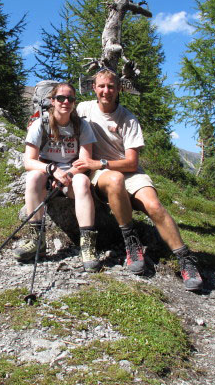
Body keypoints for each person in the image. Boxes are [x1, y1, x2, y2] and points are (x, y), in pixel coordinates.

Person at [74, 68, 203, 291]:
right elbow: (64, 122)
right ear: (94, 88)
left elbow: (132, 163)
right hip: (103, 174)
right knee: (114, 180)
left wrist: (100, 163)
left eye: (111, 87)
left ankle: (185, 259)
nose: (106, 91)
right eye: (102, 86)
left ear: (119, 89)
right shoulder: (83, 108)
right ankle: (131, 241)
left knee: (154, 206)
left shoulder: (128, 119)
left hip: (126, 170)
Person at [15, 82, 101, 272]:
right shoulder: (41, 124)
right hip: (48, 173)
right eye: (61, 98)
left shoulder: (82, 126)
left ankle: (87, 245)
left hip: (71, 176)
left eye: (70, 98)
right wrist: (52, 170)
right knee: (33, 178)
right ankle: (37, 240)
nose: (66, 102)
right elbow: (28, 161)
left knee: (83, 181)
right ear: (52, 101)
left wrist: (67, 174)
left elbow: (85, 161)